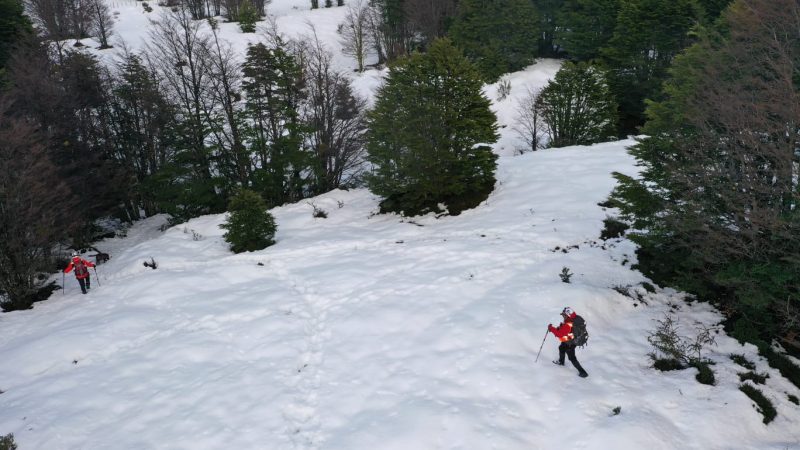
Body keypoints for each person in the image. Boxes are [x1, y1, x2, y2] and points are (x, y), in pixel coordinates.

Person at [548, 307, 589, 378]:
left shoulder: (568, 323)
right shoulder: (573, 319)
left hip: (570, 343)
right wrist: (560, 327)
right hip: (569, 340)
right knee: (561, 348)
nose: (563, 316)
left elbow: (559, 334)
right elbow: (566, 330)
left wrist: (551, 328)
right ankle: (561, 362)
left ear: (568, 315)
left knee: (572, 358)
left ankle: (583, 372)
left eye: (564, 315)